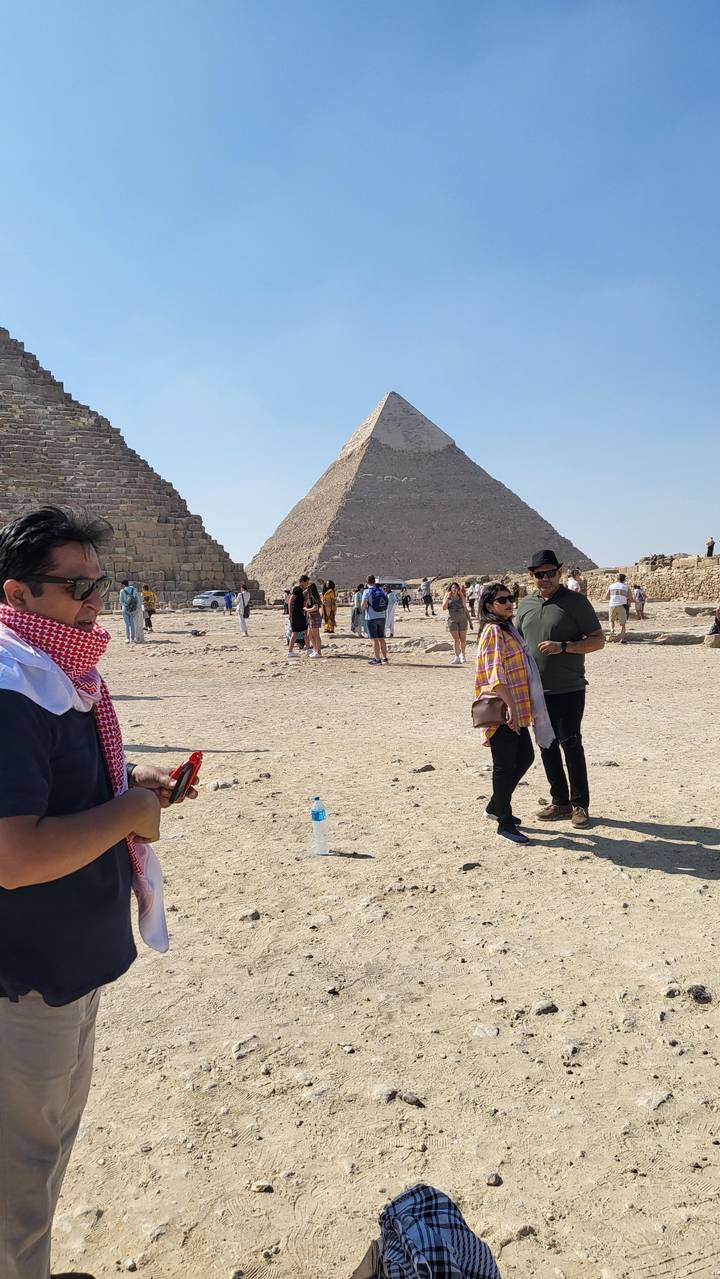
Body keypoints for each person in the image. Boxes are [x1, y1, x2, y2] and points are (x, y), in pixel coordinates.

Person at [0, 506, 198, 1279]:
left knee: (44, 1150)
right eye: (76, 585)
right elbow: (13, 854)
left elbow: (56, 793)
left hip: (68, 967)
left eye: (99, 581)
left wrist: (129, 782)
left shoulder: (61, 674)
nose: (95, 599)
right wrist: (124, 812)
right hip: (25, 980)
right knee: (18, 1168)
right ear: (17, 592)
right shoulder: (13, 689)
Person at [516, 549, 604, 828]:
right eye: (539, 574)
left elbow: (598, 640)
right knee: (547, 746)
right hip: (535, 690)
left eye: (550, 573)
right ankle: (560, 802)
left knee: (571, 745)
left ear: (560, 572)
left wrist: (564, 647)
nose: (545, 579)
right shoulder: (525, 604)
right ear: (531, 576)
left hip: (567, 688)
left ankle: (580, 805)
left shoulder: (576, 603)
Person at [475, 582, 554, 845]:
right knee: (505, 765)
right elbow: (494, 674)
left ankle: (496, 805)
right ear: (489, 605)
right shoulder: (493, 632)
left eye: (511, 598)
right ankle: (504, 823)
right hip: (503, 709)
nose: (510, 602)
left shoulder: (509, 629)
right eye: (502, 600)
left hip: (517, 708)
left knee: (524, 757)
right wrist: (509, 705)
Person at [442, 581, 473, 664]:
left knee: (463, 639)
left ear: (458, 589)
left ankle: (463, 655)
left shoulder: (461, 596)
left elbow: (466, 609)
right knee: (456, 639)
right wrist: (448, 598)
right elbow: (444, 608)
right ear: (450, 589)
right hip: (452, 619)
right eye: (453, 588)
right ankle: (457, 657)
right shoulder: (447, 595)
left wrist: (470, 621)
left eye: (456, 588)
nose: (454, 589)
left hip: (462, 618)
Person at [361, 575, 389, 665]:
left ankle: (377, 659)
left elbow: (363, 605)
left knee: (374, 639)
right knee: (381, 638)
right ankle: (385, 658)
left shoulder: (367, 591)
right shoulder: (381, 590)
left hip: (371, 617)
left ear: (366, 582)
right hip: (382, 616)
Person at [607, 572, 632, 643]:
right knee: (623, 624)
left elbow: (606, 596)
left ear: (617, 579)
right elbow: (630, 597)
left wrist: (613, 597)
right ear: (624, 579)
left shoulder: (611, 586)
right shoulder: (626, 587)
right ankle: (622, 639)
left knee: (611, 620)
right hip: (622, 606)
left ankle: (612, 630)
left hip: (612, 605)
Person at [303, 579, 323, 657]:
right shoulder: (311, 597)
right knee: (309, 635)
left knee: (316, 635)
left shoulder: (313, 597)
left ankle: (319, 652)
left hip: (314, 617)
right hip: (311, 617)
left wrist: (306, 609)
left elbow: (315, 607)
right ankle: (315, 650)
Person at [118, 578, 141, 644]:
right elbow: (138, 599)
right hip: (133, 608)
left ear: (123, 585)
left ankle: (127, 638)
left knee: (127, 624)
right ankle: (133, 638)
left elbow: (121, 601)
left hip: (125, 608)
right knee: (132, 624)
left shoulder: (122, 591)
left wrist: (125, 605)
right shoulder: (134, 589)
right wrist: (137, 607)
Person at [287, 585, 307, 657]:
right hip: (296, 614)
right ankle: (290, 651)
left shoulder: (302, 591)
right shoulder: (297, 589)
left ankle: (308, 649)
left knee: (305, 631)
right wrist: (290, 614)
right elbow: (290, 600)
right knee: (295, 632)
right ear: (303, 582)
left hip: (300, 614)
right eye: (306, 582)